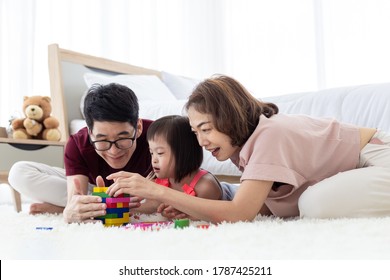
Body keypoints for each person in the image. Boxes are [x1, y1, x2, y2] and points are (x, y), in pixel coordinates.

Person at [105, 74, 390, 223]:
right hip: (359, 169)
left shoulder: (269, 135)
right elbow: (259, 210)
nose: (201, 142)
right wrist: (195, 209)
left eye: (206, 129)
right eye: (195, 132)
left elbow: (241, 212)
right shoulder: (246, 149)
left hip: (376, 157)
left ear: (229, 119)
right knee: (306, 204)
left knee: (313, 205)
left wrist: (156, 190)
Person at [9, 83, 153, 223]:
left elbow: (165, 196)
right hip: (93, 189)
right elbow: (76, 194)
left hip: (140, 194)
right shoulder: (78, 143)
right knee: (18, 172)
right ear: (90, 133)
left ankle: (93, 208)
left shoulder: (158, 136)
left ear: (138, 127)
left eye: (122, 138)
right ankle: (96, 206)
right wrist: (72, 209)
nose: (113, 151)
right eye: (102, 140)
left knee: (157, 199)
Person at [141, 115, 228, 219]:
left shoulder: (205, 186)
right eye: (151, 153)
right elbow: (150, 205)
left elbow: (205, 216)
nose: (154, 160)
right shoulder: (159, 180)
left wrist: (173, 215)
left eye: (160, 153)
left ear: (184, 153)